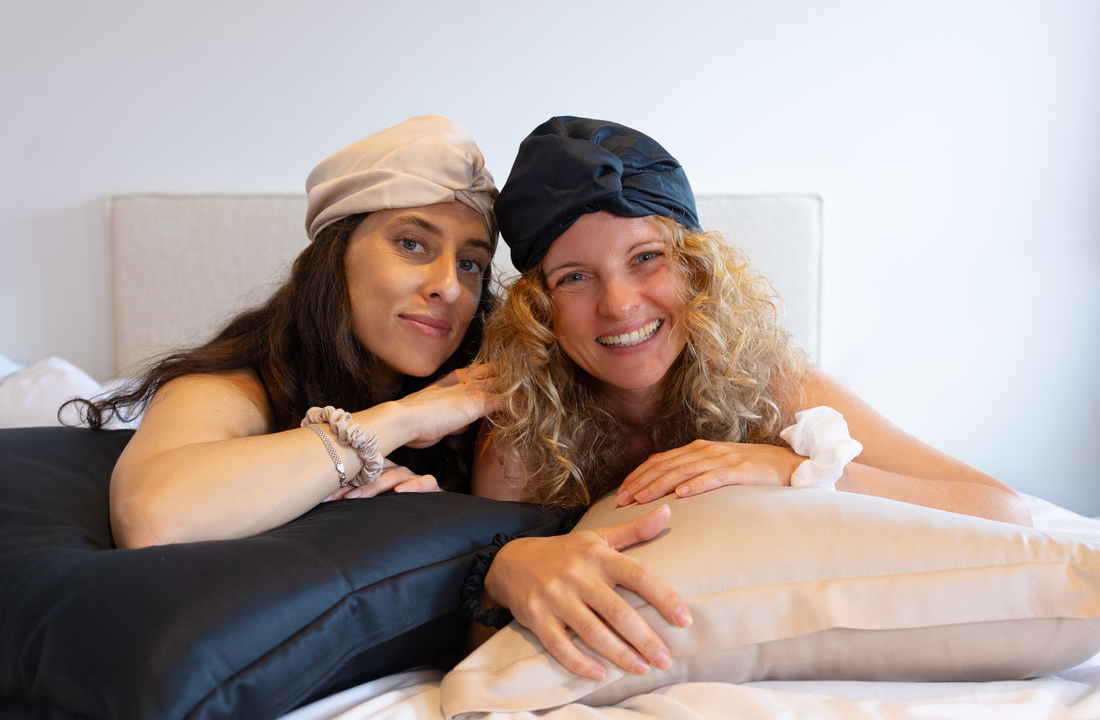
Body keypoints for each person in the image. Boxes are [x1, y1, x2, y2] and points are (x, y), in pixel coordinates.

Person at [467, 115, 1033, 682]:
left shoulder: (770, 383)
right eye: (574, 278)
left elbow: (1006, 514)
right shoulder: (523, 436)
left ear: (696, 269)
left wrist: (799, 471)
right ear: (538, 309)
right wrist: (507, 570)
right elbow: (478, 651)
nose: (618, 304)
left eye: (646, 258)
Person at [72, 115, 502, 548]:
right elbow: (153, 518)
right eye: (411, 243)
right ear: (335, 256)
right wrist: (404, 419)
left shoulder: (486, 402)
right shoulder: (236, 387)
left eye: (470, 264)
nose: (449, 287)